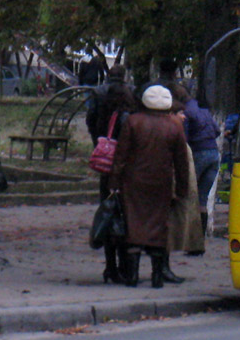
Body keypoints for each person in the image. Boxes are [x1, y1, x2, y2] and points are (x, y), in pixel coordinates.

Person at [109, 84, 190, 288]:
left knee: (134, 224)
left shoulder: (133, 122)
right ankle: (156, 276)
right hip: (161, 182)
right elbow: (181, 162)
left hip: (133, 182)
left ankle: (133, 275)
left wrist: (114, 182)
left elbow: (121, 156)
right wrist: (182, 189)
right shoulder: (174, 126)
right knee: (159, 225)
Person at [86, 64, 137, 283]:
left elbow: (90, 121)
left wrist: (99, 143)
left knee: (107, 211)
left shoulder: (98, 94)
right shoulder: (130, 98)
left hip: (106, 163)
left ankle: (110, 266)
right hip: (125, 168)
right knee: (125, 215)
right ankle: (125, 265)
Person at [171, 83, 220, 245]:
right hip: (214, 154)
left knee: (188, 192)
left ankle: (188, 236)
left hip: (198, 154)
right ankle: (202, 238)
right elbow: (218, 131)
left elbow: (182, 139)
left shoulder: (185, 113)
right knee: (203, 198)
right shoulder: (204, 111)